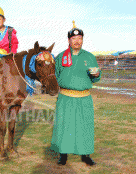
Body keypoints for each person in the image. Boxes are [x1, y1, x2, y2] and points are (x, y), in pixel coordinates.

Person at [51, 21, 101, 166]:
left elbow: (96, 77)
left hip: (84, 98)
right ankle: (63, 154)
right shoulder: (61, 57)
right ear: (69, 40)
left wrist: (96, 74)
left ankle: (85, 154)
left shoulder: (89, 57)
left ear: (82, 40)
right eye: (74, 39)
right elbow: (55, 75)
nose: (77, 41)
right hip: (65, 97)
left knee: (84, 126)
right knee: (64, 125)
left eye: (79, 38)